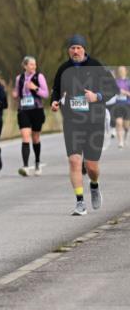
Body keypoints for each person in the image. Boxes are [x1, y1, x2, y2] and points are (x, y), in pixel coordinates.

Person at [50, 35, 118, 216]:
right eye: (72, 48)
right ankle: (80, 202)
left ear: (84, 49)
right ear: (68, 50)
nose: (75, 51)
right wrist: (55, 101)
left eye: (78, 48)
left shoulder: (96, 66)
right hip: (72, 121)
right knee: (74, 161)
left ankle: (94, 185)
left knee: (91, 167)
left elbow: (113, 89)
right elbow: (56, 90)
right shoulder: (63, 69)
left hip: (94, 122)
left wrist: (97, 96)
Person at [13, 56, 50, 176]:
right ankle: (25, 167)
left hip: (36, 110)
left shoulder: (39, 77)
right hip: (23, 110)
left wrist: (35, 88)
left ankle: (37, 163)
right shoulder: (19, 78)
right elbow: (17, 93)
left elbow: (46, 94)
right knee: (25, 136)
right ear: (25, 66)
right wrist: (15, 94)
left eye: (35, 64)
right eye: (31, 64)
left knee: (35, 138)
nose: (34, 66)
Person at [110, 65, 130, 149]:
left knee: (126, 125)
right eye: (119, 70)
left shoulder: (128, 81)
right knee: (118, 122)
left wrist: (126, 93)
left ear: (126, 71)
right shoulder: (115, 82)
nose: (121, 72)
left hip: (127, 104)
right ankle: (120, 142)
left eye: (122, 70)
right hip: (117, 105)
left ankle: (126, 133)